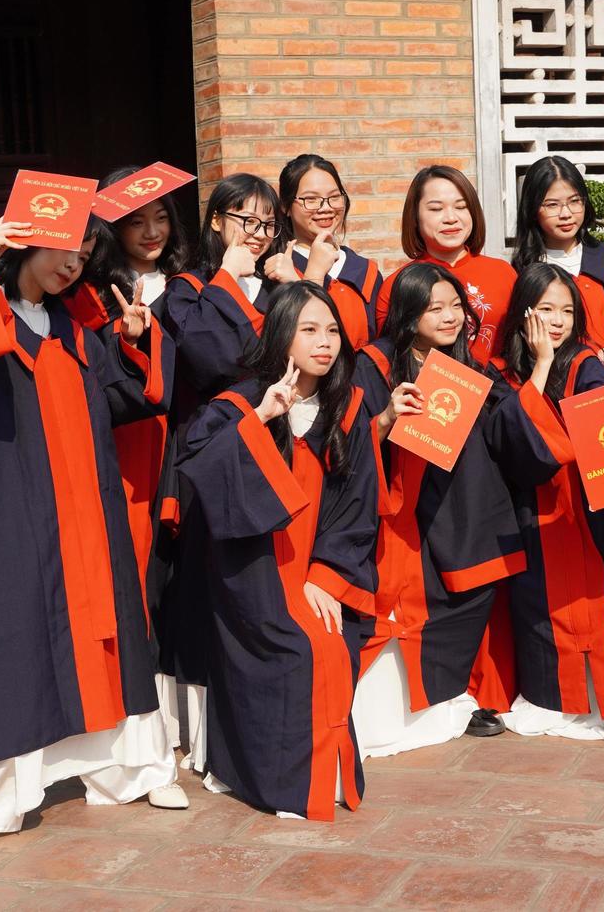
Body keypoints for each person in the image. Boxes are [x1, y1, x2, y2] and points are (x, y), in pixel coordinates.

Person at [0, 214, 187, 860]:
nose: (74, 264)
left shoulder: (74, 333)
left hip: (85, 516)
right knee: (10, 650)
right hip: (7, 516)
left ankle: (129, 769)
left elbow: (124, 400)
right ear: (25, 242)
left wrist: (132, 341)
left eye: (85, 253)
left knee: (109, 641)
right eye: (63, 247)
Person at [177, 282, 378, 820]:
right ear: (282, 335)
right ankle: (279, 782)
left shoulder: (350, 406)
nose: (325, 341)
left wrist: (328, 576)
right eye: (309, 329)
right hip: (255, 567)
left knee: (334, 642)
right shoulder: (240, 401)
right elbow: (199, 470)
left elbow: (358, 503)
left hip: (318, 565)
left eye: (332, 329)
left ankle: (323, 776)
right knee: (298, 649)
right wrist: (261, 418)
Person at [484, 263, 604, 753]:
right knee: (543, 610)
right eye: (545, 308)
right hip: (538, 513)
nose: (558, 321)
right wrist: (541, 365)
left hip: (593, 509)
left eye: (567, 311)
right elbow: (511, 438)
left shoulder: (586, 365)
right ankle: (558, 699)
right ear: (523, 312)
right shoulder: (500, 372)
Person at [352, 262, 527, 756]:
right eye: (436, 308)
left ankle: (463, 697)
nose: (450, 317)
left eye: (456, 306)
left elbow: (507, 433)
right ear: (408, 313)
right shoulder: (375, 363)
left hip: (460, 505)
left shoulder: (473, 368)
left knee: (471, 591)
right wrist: (386, 418)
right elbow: (347, 438)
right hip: (396, 507)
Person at [160, 172, 283, 773]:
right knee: (203, 584)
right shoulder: (185, 288)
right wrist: (231, 279)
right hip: (212, 446)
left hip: (273, 439)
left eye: (266, 223)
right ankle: (199, 733)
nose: (257, 234)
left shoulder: (279, 284)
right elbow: (210, 356)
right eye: (245, 220)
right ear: (216, 222)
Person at [69, 165, 186, 749]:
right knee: (137, 567)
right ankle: (137, 717)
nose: (151, 231)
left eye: (161, 216)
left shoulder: (192, 281)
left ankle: (182, 716)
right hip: (131, 445)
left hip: (189, 438)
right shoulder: (90, 294)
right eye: (135, 220)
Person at [375, 165, 517, 365]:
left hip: (502, 393)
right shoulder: (398, 283)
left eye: (461, 207)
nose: (451, 218)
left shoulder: (503, 273)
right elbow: (392, 359)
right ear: (415, 216)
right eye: (436, 209)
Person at [510, 155, 604, 372]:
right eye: (552, 205)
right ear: (532, 209)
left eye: (575, 201)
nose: (566, 214)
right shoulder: (524, 270)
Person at [270, 154, 382, 348]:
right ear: (286, 206)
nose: (326, 208)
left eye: (334, 197)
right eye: (311, 199)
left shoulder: (365, 271)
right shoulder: (276, 270)